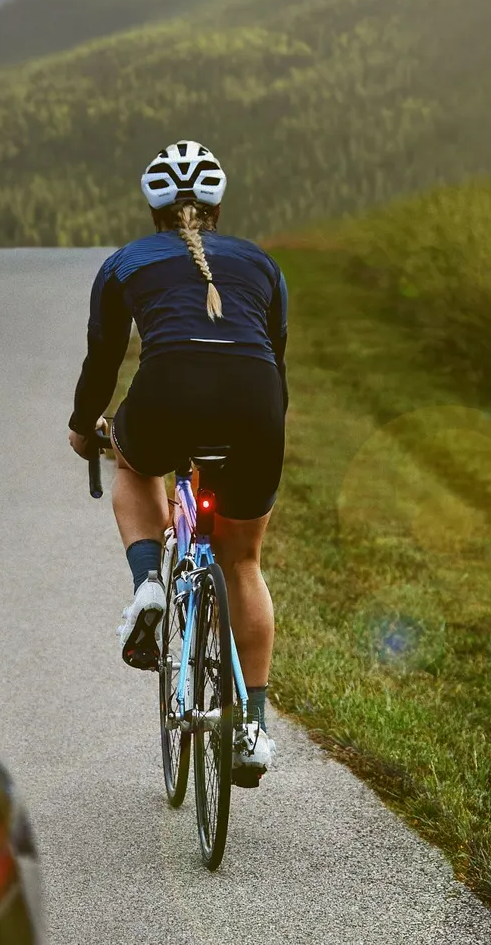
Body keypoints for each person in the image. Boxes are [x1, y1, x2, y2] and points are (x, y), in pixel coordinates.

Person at [68, 141, 287, 786]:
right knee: (242, 562)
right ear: (218, 204)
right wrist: (268, 427)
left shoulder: (124, 263)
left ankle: (148, 586)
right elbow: (274, 358)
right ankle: (250, 727)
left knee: (134, 463)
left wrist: (87, 431)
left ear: (154, 206)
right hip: (256, 406)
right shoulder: (262, 264)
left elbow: (102, 362)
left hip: (167, 396)